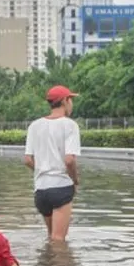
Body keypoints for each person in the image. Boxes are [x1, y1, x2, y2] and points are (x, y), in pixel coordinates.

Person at [24, 85, 82, 241]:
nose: (72, 104)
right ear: (64, 101)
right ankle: (58, 265)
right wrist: (75, 181)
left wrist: (43, 169)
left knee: (51, 237)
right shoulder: (70, 125)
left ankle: (46, 265)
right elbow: (69, 160)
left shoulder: (34, 126)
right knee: (59, 240)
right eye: (71, 100)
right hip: (61, 187)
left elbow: (28, 160)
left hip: (41, 190)